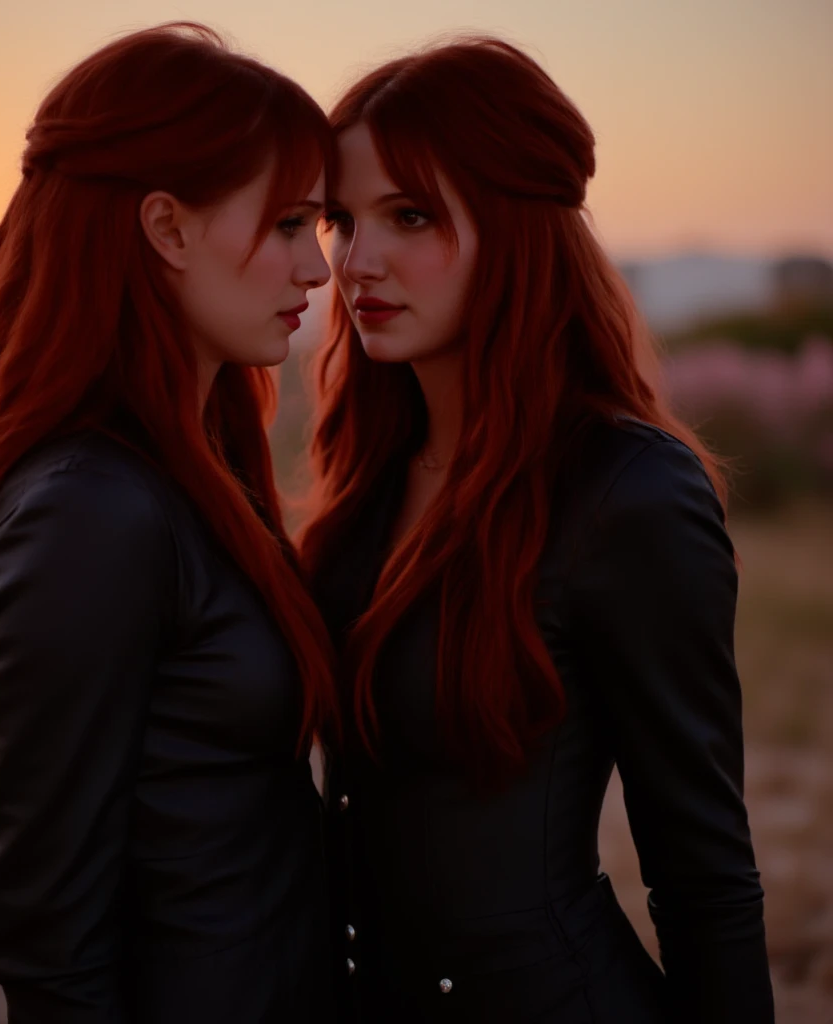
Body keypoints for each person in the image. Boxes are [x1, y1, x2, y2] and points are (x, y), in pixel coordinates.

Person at [301, 36, 774, 1023]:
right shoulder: (368, 484)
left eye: (411, 214)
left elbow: (702, 870)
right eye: (340, 220)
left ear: (515, 227)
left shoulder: (627, 491)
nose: (358, 260)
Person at [0, 24, 338, 1023]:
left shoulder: (198, 469)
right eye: (286, 225)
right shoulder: (90, 511)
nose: (316, 270)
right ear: (167, 228)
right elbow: (48, 934)